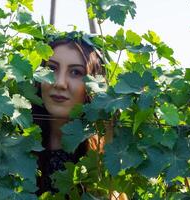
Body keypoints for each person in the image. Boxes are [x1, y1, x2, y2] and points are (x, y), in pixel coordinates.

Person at [32, 33, 126, 199]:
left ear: (94, 87)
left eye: (75, 72)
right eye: (52, 69)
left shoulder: (106, 158)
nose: (60, 83)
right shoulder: (14, 145)